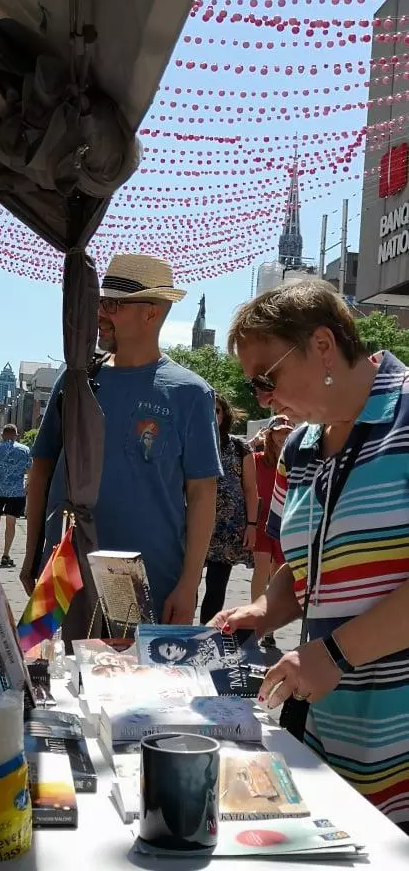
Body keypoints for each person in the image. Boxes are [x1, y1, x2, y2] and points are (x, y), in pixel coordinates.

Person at [210, 278, 409, 833]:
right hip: (331, 731)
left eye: (266, 379)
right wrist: (264, 611)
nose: (262, 399)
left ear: (323, 345)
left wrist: (335, 655)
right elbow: (307, 565)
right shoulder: (298, 447)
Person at [22, 254, 222, 635]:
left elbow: (202, 493)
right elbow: (43, 467)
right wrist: (32, 553)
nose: (99, 312)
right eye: (99, 301)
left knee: (133, 684)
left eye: (112, 304)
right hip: (62, 569)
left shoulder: (190, 393)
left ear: (152, 312)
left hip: (145, 577)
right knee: (54, 675)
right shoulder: (75, 381)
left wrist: (189, 583)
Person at [198, 394, 259, 625]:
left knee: (216, 588)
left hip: (227, 528)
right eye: (208, 410)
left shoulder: (239, 446)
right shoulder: (192, 442)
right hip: (194, 523)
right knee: (188, 584)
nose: (212, 415)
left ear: (225, 415)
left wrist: (251, 526)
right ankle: (181, 633)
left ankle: (206, 635)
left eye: (217, 410)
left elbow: (251, 490)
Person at [252, 415, 292, 604]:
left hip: (283, 520)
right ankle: (253, 621)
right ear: (270, 434)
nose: (283, 436)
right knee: (261, 569)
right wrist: (254, 441)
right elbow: (237, 459)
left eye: (287, 432)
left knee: (277, 573)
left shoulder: (294, 460)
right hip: (261, 519)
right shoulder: (258, 459)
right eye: (279, 432)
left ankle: (269, 626)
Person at [0, 424, 32, 566]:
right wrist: (28, 486)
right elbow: (30, 470)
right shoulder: (25, 450)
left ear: (2, 435)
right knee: (11, 522)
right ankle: (6, 554)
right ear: (16, 435)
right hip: (16, 492)